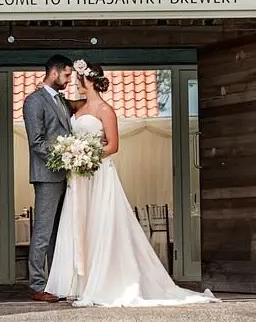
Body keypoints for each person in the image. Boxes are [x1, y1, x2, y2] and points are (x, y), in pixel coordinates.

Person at [45, 60, 218, 307]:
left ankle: (104, 281)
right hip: (79, 178)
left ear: (89, 81)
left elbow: (113, 145)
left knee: (101, 223)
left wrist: (85, 155)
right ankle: (79, 283)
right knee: (79, 223)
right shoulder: (79, 108)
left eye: (78, 79)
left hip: (98, 173)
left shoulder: (105, 110)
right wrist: (73, 154)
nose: (75, 84)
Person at [21, 54, 77, 302]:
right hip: (47, 176)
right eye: (66, 75)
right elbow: (37, 142)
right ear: (54, 73)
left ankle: (56, 282)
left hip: (67, 176)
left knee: (59, 232)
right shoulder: (34, 101)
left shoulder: (62, 102)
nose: (68, 80)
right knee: (43, 232)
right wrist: (65, 157)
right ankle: (37, 285)